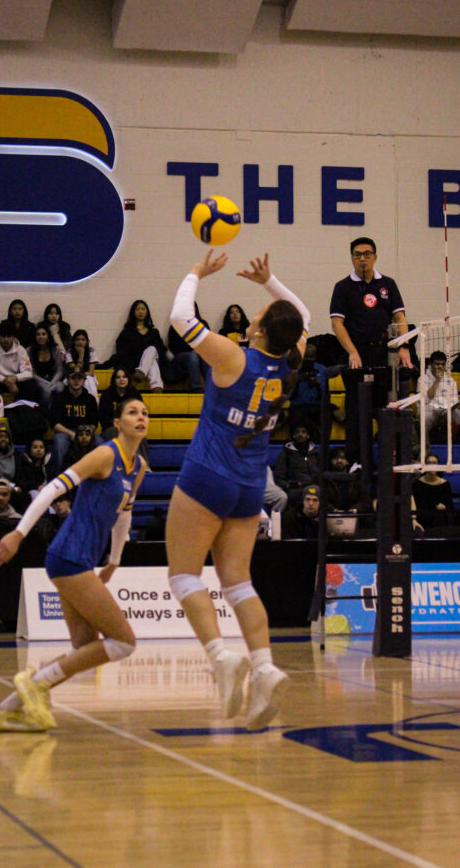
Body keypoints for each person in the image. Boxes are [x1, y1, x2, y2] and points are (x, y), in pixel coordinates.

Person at [165, 250, 309, 731]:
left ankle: (221, 657)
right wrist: (270, 283)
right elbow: (303, 317)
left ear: (261, 331)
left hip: (208, 474)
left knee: (184, 576)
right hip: (250, 485)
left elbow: (180, 318)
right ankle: (265, 668)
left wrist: (195, 271)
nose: (254, 313)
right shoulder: (290, 360)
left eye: (260, 312)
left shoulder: (234, 357)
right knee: (239, 582)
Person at [0, 396, 149, 732]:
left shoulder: (140, 467)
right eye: (132, 412)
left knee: (85, 648)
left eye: (145, 413)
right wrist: (18, 533)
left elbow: (124, 515)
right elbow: (51, 490)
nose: (141, 417)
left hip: (78, 559)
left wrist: (115, 560)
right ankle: (33, 684)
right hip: (69, 555)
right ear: (117, 423)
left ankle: (5, 710)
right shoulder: (105, 455)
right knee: (123, 642)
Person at [329, 237, 412, 464]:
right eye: (357, 254)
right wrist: (352, 352)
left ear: (375, 257)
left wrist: (404, 345)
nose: (362, 259)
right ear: (352, 258)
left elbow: (400, 317)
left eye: (367, 254)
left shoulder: (388, 284)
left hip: (385, 355)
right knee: (357, 411)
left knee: (387, 408)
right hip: (358, 355)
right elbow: (337, 324)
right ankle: (357, 462)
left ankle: (391, 458)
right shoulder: (343, 287)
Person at [48, 363, 100, 469]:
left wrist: (84, 433)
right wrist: (71, 433)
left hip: (85, 432)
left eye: (79, 378)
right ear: (68, 380)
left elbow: (94, 423)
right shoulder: (59, 398)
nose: (76, 381)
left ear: (84, 380)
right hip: (65, 432)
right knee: (59, 442)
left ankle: (96, 475)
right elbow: (54, 423)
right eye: (73, 378)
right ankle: (62, 475)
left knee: (100, 442)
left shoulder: (90, 399)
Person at [113, 300, 166, 392]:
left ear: (147, 312)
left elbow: (161, 349)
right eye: (137, 309)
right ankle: (156, 386)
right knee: (152, 358)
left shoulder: (154, 332)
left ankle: (141, 372)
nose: (140, 312)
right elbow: (121, 349)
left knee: (152, 350)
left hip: (148, 362)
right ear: (133, 312)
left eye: (143, 309)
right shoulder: (127, 332)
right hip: (134, 361)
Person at [419, 350, 460, 444]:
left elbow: (454, 399)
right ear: (431, 364)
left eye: (442, 364)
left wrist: (455, 404)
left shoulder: (451, 380)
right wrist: (437, 380)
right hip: (429, 408)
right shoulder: (422, 379)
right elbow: (427, 399)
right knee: (425, 418)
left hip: (446, 409)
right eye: (437, 364)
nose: (440, 367)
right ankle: (425, 446)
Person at [0, 320, 35, 402]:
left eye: (9, 336)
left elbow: (29, 373)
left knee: (30, 384)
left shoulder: (21, 350)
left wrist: (14, 378)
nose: (6, 339)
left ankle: (26, 407)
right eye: (3, 336)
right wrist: (5, 381)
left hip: (15, 381)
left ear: (13, 336)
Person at [272, 424, 320, 510]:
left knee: (318, 492)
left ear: (308, 435)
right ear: (293, 435)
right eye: (297, 432)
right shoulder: (285, 454)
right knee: (300, 495)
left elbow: (320, 474)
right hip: (295, 488)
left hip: (314, 486)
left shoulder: (315, 453)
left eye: (303, 432)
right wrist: (289, 485)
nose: (300, 434)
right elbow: (279, 477)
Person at [167, 302, 208, 392]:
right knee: (193, 356)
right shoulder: (175, 325)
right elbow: (173, 346)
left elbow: (208, 342)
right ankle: (196, 387)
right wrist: (192, 350)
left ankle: (211, 388)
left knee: (205, 357)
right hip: (181, 356)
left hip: (201, 353)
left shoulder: (202, 324)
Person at [411, 454, 455, 533]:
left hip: (440, 518)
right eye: (429, 463)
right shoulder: (417, 484)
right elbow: (418, 505)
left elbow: (450, 505)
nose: (432, 465)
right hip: (423, 518)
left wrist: (444, 507)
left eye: (434, 463)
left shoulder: (445, 484)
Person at [27, 323, 65, 411]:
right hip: (38, 379)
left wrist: (52, 382)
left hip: (53, 378)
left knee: (60, 388)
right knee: (47, 391)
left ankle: (57, 412)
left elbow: (60, 370)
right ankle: (44, 412)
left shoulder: (55, 349)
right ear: (35, 337)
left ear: (48, 336)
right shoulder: (29, 350)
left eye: (43, 334)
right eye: (38, 334)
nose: (41, 337)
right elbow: (31, 372)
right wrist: (46, 383)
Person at [98, 366, 140, 434]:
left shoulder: (135, 394)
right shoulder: (106, 395)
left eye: (124, 377)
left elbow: (139, 415)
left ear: (128, 379)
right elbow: (103, 418)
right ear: (114, 380)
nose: (121, 379)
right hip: (111, 430)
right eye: (118, 377)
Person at [68, 329, 99, 399]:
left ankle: (93, 402)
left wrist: (82, 375)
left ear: (87, 341)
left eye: (83, 339)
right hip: (72, 376)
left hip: (88, 375)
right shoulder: (69, 352)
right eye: (77, 339)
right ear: (74, 341)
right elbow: (75, 371)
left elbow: (90, 372)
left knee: (88, 381)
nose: (80, 342)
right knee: (70, 381)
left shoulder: (92, 351)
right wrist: (81, 356)